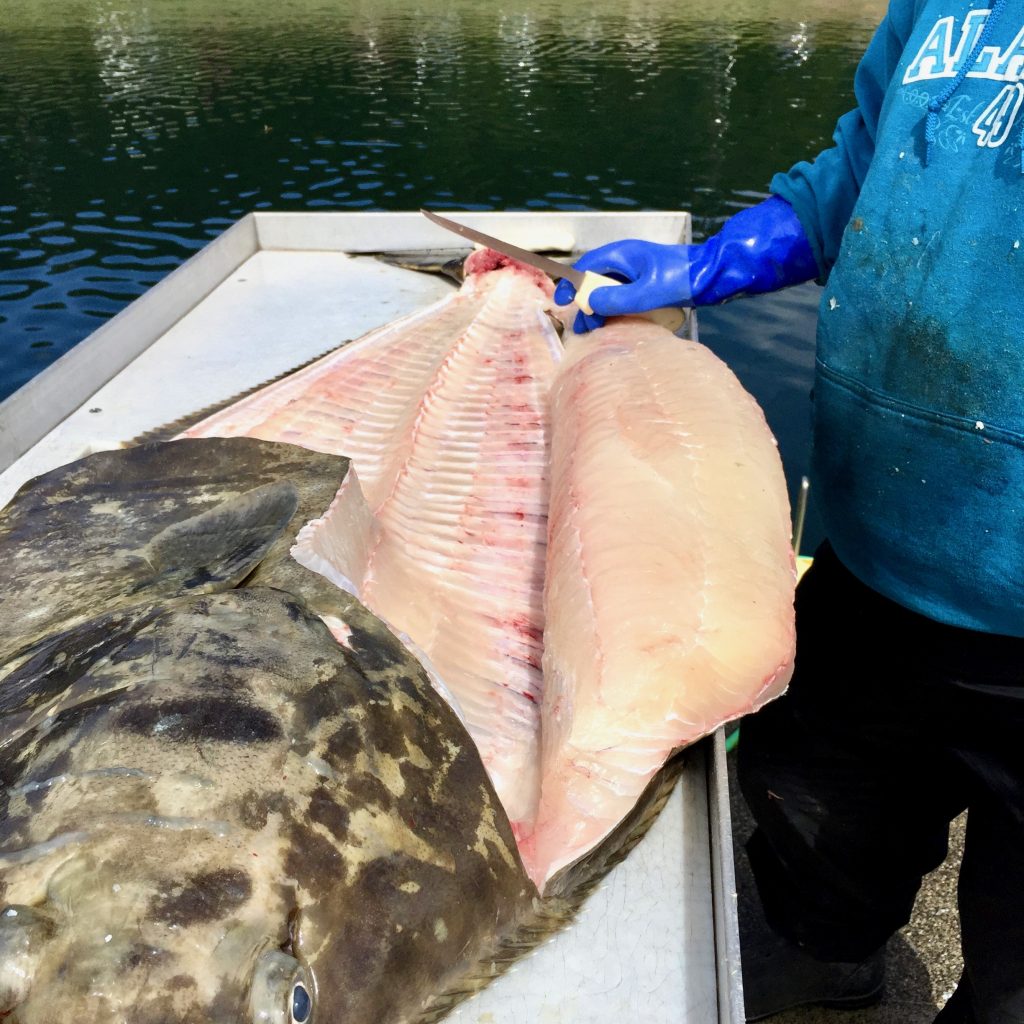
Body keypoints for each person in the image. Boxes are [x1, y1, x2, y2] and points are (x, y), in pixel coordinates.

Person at [553, 2, 1024, 1022]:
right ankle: (831, 974)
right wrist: (709, 266)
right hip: (872, 562)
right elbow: (857, 173)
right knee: (816, 856)